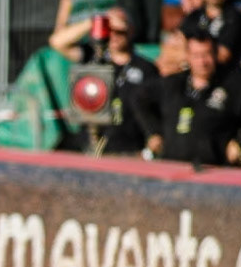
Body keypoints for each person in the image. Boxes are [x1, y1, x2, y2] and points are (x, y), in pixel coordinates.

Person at [139, 31, 241, 166]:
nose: (202, 61)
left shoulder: (232, 85)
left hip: (214, 172)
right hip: (172, 169)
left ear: (216, 54)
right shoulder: (173, 84)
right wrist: (153, 132)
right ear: (187, 56)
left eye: (207, 54)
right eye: (196, 55)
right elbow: (138, 98)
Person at [53, 8, 161, 156]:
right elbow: (57, 42)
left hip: (129, 150)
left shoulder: (146, 68)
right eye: (110, 30)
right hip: (91, 146)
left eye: (120, 31)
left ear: (131, 31)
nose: (114, 36)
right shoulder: (94, 58)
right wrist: (95, 22)